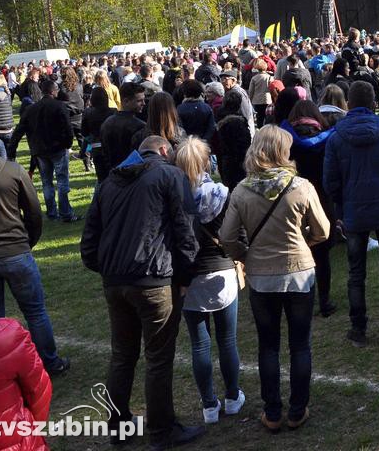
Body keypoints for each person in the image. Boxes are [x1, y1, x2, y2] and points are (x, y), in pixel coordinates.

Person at [80, 135, 204, 450]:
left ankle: (119, 427)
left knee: (123, 355)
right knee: (157, 358)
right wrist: (185, 275)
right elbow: (186, 228)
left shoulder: (109, 182)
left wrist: (109, 268)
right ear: (163, 151)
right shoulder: (169, 175)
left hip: (118, 281)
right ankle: (162, 432)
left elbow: (90, 240)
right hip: (153, 281)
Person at [218, 126, 330, 432]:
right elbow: (323, 230)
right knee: (300, 344)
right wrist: (304, 240)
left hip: (262, 278)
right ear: (282, 152)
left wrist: (245, 254)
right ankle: (297, 409)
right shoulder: (301, 186)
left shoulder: (241, 190)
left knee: (268, 345)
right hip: (298, 274)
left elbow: (226, 237)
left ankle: (272, 411)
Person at [0, 119, 70, 378]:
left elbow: (34, 215)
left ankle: (0, 369)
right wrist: (27, 241)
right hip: (15, 252)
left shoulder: (12, 171)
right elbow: (34, 214)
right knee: (35, 311)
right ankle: (50, 362)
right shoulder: (13, 171)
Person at [323, 81, 379, 347]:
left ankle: (360, 327)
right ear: (374, 102)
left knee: (356, 272)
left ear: (349, 103)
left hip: (357, 210)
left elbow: (331, 181)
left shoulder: (338, 137)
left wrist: (340, 205)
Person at [175, 137, 244, 424]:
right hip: (222, 270)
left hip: (190, 276)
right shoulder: (222, 193)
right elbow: (234, 233)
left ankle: (208, 405)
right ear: (206, 162)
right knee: (227, 340)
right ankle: (231, 396)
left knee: (199, 344)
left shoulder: (174, 197)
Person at [0, 253, 53, 451]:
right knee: (36, 311)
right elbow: (39, 393)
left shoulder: (4, 339)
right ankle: (52, 359)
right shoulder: (5, 338)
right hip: (16, 442)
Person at [280, 100, 337, 317]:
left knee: (298, 250)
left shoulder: (286, 140)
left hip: (294, 198)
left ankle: (301, 300)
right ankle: (324, 300)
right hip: (322, 197)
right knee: (322, 253)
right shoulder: (328, 139)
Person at [7, 78, 79, 222]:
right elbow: (67, 127)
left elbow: (19, 130)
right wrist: (68, 143)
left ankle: (52, 212)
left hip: (40, 149)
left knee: (47, 182)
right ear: (53, 91)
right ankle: (65, 213)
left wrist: (12, 150)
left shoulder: (31, 109)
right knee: (62, 180)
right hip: (57, 148)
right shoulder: (59, 106)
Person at [99, 81, 147, 170]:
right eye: (139, 100)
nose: (143, 103)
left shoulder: (107, 123)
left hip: (112, 174)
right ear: (126, 101)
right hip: (131, 174)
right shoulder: (139, 126)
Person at [248, 58, 273, 128]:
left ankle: (260, 129)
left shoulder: (254, 78)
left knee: (259, 117)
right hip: (267, 99)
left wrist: (250, 99)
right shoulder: (269, 77)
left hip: (257, 100)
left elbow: (251, 91)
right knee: (267, 116)